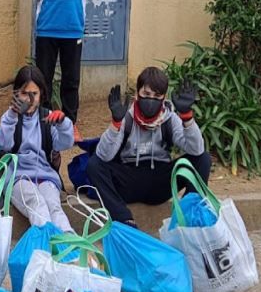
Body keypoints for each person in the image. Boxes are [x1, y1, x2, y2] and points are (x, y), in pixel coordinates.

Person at [87, 67, 210, 229]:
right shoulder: (126, 117)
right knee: (94, 164)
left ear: (164, 97)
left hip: (160, 182)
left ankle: (190, 216)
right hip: (128, 180)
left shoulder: (170, 118)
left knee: (203, 159)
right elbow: (104, 155)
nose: (151, 100)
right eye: (146, 94)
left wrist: (186, 117)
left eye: (157, 96)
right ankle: (124, 220)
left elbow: (196, 150)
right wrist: (116, 123)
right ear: (137, 94)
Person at [0, 66, 75, 231]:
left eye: (34, 94)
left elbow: (64, 144)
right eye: (25, 93)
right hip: (18, 178)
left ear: (41, 95)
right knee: (36, 203)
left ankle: (71, 246)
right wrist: (12, 115)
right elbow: (4, 143)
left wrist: (63, 124)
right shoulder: (10, 118)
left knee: (54, 207)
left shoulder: (47, 117)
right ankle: (45, 244)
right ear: (16, 94)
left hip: (46, 177)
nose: (29, 99)